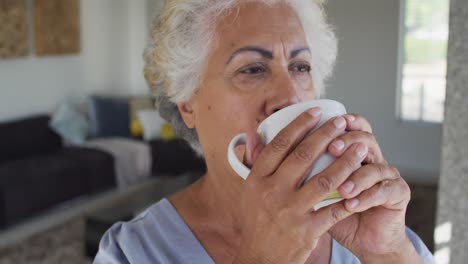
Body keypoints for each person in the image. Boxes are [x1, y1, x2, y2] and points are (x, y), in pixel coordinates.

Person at [94, 0, 435, 263]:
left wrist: (388, 254)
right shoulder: (133, 252)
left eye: (300, 67)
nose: (289, 96)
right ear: (187, 102)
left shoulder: (380, 238)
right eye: (253, 69)